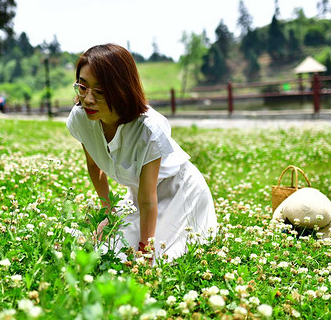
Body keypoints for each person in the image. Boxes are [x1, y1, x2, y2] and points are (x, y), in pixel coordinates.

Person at [66, 44, 217, 262]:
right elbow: (94, 166)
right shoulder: (82, 118)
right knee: (103, 249)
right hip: (139, 194)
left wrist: (145, 251)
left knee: (152, 258)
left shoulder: (149, 128)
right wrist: (108, 212)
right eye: (82, 87)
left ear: (120, 89)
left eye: (99, 92)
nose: (88, 99)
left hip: (180, 191)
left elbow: (148, 200)